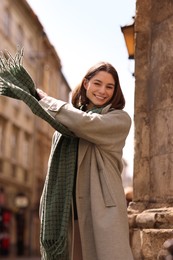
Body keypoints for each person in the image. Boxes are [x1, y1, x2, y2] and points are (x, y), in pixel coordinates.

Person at [37, 61, 134, 260]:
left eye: (110, 86)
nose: (102, 91)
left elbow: (85, 124)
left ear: (116, 92)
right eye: (97, 83)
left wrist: (46, 100)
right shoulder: (66, 121)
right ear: (86, 84)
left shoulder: (118, 119)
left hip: (101, 210)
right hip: (67, 211)